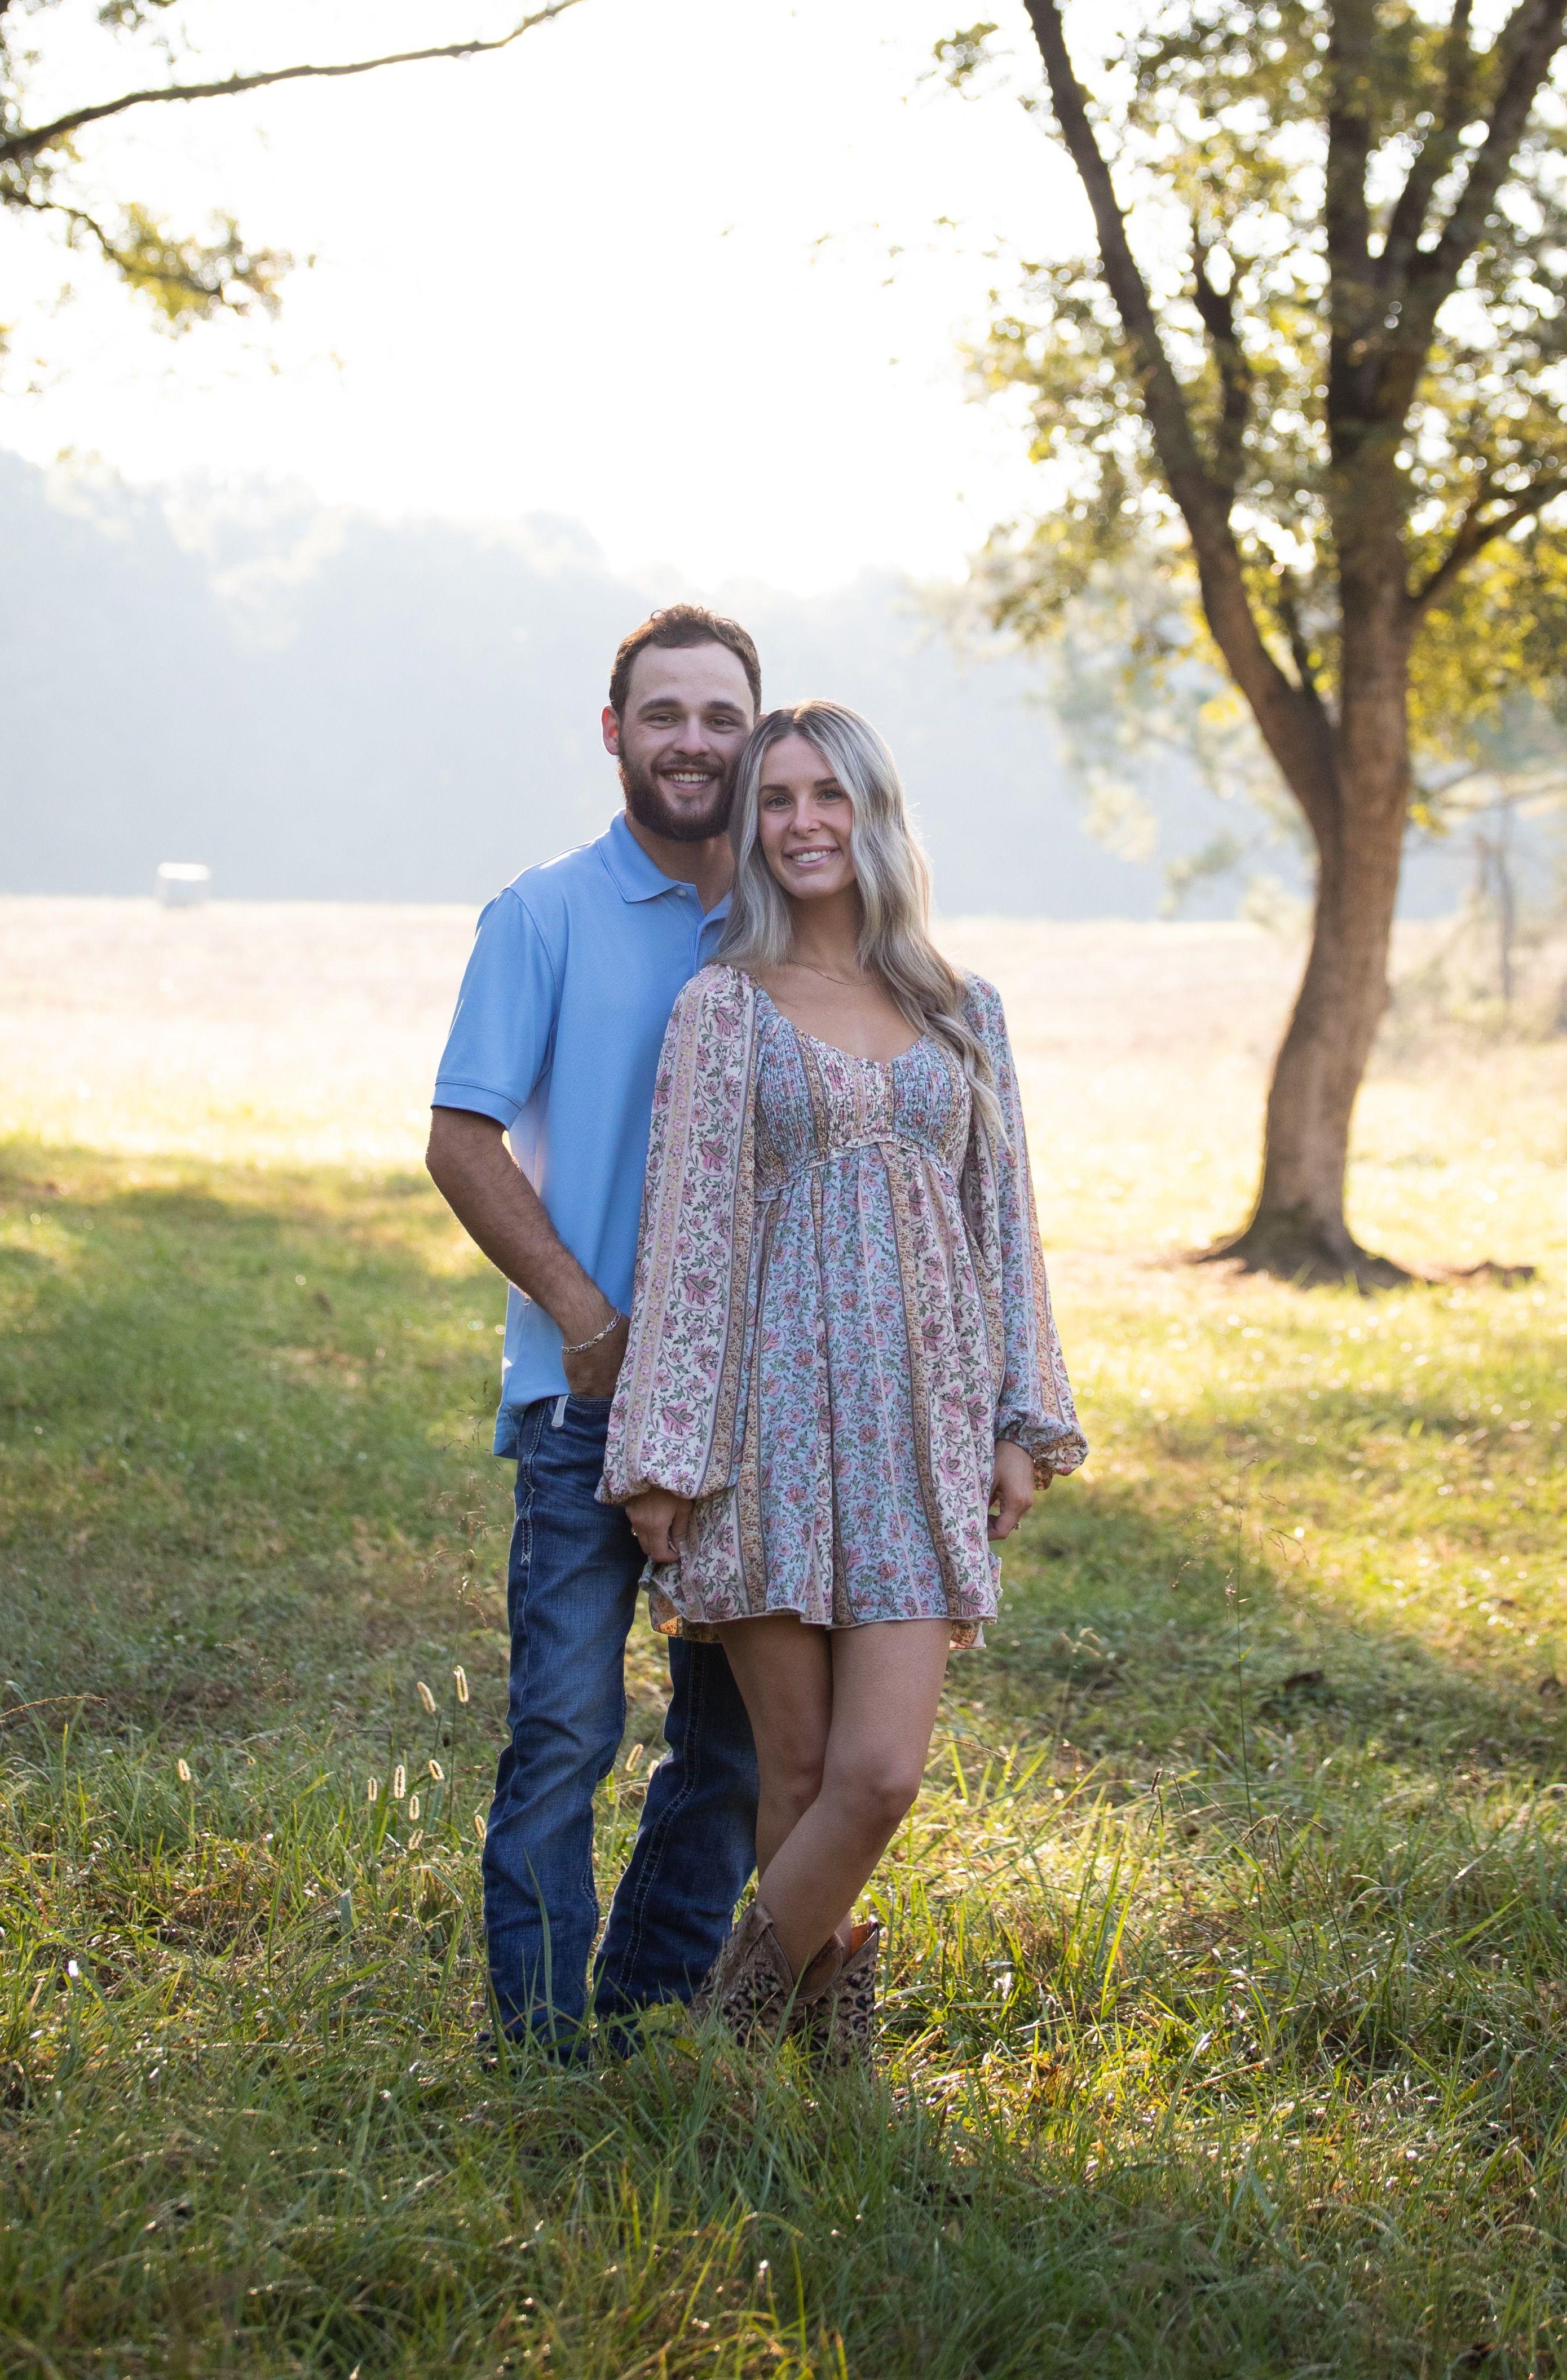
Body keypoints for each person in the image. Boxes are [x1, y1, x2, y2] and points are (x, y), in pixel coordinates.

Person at [602, 699, 1087, 2062]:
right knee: (801, 1771)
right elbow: (689, 1236)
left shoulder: (963, 1011)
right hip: (766, 1430)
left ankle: (719, 2037)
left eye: (830, 795)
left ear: (875, 814)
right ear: (752, 827)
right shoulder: (724, 1009)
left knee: (880, 1777)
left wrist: (1022, 1421)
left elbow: (1006, 1225)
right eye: (777, 799)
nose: (804, 822)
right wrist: (666, 1455)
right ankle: (822, 2067)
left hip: (922, 1433)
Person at [426, 604, 769, 2054]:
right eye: (666, 714)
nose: (694, 741)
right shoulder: (544, 912)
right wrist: (587, 1319)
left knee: (733, 1748)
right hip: (586, 1405)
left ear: (757, 739)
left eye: (723, 718)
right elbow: (461, 1139)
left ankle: (644, 2016)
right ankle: (540, 2047)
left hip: (752, 1414)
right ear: (615, 731)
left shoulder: (792, 919)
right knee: (566, 1731)